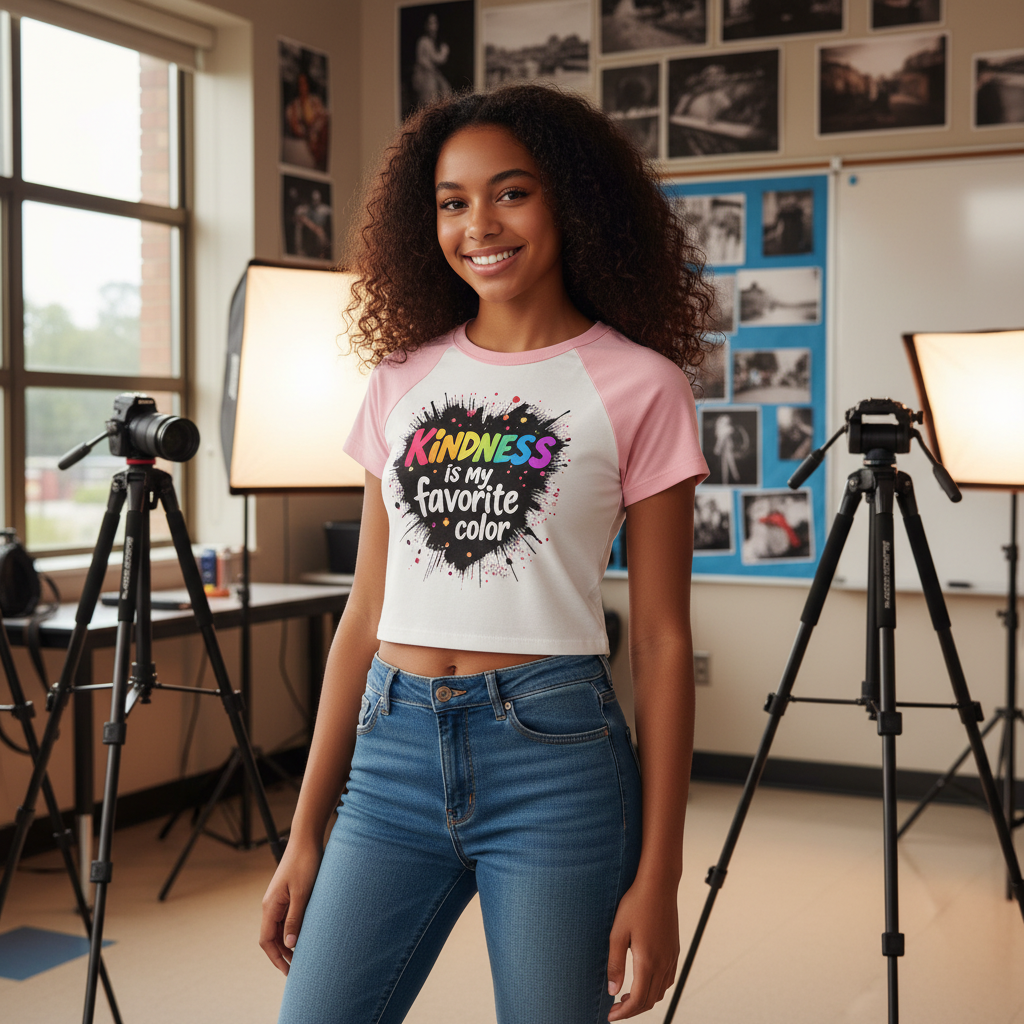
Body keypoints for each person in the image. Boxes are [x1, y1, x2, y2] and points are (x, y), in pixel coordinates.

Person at [259, 82, 714, 1024]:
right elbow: (362, 615)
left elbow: (665, 641)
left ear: (572, 200)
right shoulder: (401, 379)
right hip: (389, 763)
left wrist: (661, 874)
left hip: (554, 761)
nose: (479, 225)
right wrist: (306, 831)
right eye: (452, 202)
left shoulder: (642, 386)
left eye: (512, 192)